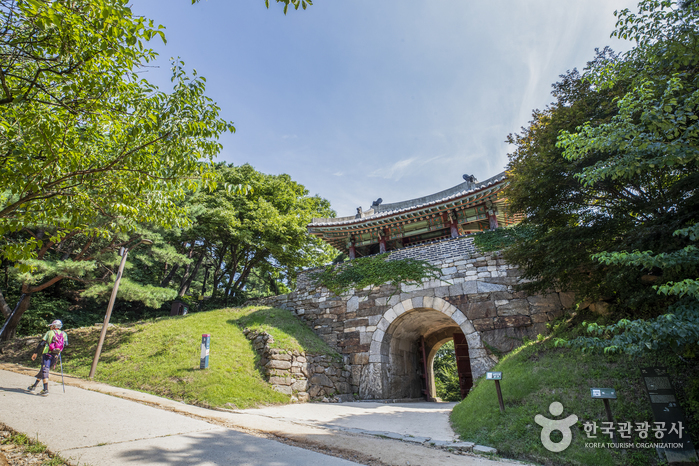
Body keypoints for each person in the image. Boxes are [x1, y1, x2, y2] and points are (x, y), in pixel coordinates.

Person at [27, 320, 68, 396]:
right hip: (56, 355)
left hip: (47, 353)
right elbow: (66, 344)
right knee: (43, 370)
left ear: (54, 326)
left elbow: (42, 343)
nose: (51, 326)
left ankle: (45, 390)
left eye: (52, 325)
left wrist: (35, 352)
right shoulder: (64, 334)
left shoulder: (49, 333)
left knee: (45, 370)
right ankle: (34, 386)